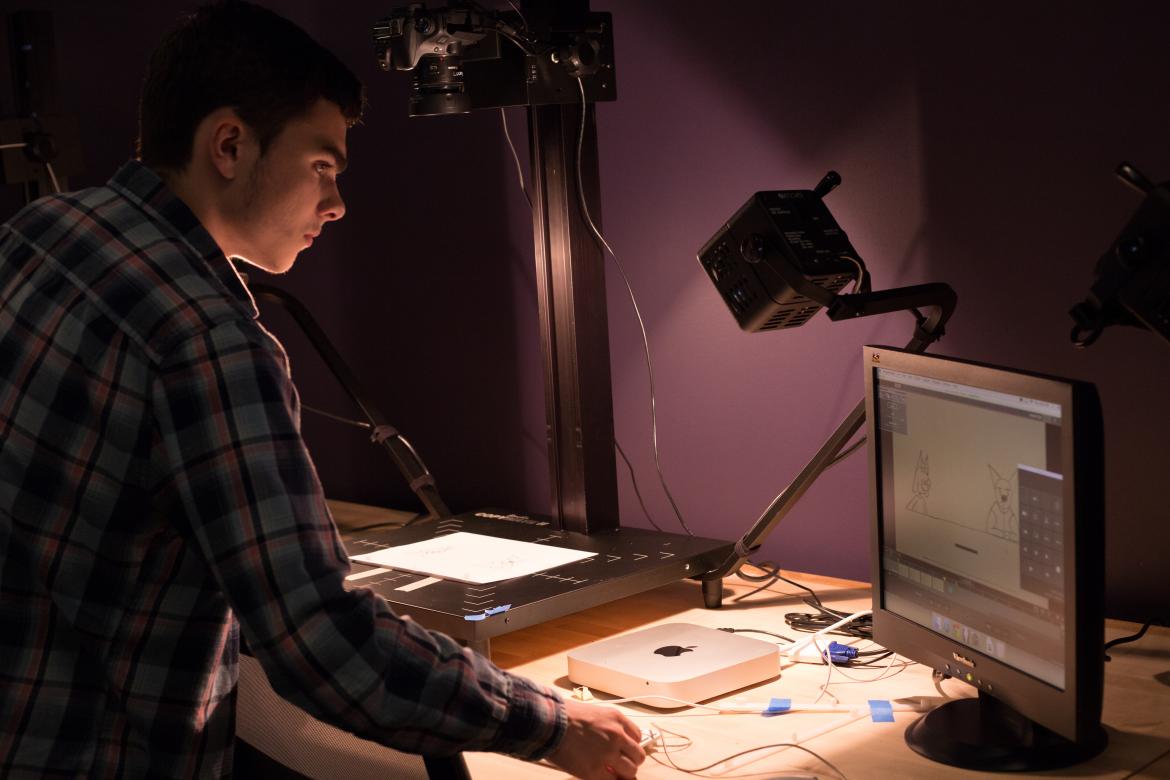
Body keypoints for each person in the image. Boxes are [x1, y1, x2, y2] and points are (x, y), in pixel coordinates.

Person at [0, 2, 645, 778]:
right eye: (322, 167)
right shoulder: (205, 340)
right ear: (231, 145)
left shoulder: (43, 232)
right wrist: (550, 724)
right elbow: (321, 641)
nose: (336, 204)